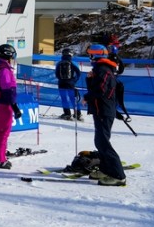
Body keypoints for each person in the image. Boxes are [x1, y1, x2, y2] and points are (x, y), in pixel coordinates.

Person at [83, 43, 126, 187]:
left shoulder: (102, 69)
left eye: (90, 54)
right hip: (101, 110)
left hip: (103, 110)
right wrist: (90, 79)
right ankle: (105, 169)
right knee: (100, 141)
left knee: (102, 142)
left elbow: (100, 91)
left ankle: (118, 175)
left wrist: (87, 97)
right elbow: (99, 87)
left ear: (94, 55)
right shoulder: (102, 69)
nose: (89, 57)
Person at [0, 44, 22, 169]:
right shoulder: (4, 70)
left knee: (1, 131)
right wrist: (15, 106)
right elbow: (8, 89)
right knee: (3, 132)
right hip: (3, 104)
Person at [54, 48, 82, 120]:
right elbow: (78, 73)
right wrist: (74, 80)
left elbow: (57, 74)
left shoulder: (59, 63)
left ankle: (67, 114)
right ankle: (78, 114)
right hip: (70, 83)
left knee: (64, 99)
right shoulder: (73, 63)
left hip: (61, 83)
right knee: (73, 98)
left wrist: (61, 79)